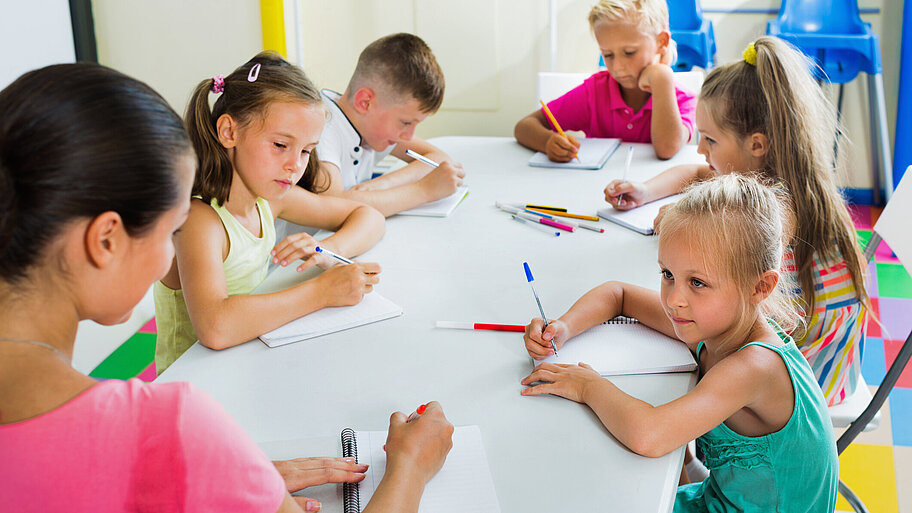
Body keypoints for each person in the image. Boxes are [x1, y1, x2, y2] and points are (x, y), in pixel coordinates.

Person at [0, 62, 453, 513]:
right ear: (106, 241)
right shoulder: (169, 427)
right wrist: (410, 466)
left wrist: (223, 471)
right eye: (169, 229)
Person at [522, 174, 838, 512]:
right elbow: (619, 294)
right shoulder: (717, 324)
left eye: (698, 282)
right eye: (667, 274)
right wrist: (565, 326)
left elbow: (649, 435)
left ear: (760, 288)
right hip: (725, 497)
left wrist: (587, 386)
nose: (674, 300)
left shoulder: (754, 366)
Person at [605, 36, 870, 406]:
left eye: (710, 140)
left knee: (663, 369)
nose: (701, 149)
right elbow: (699, 173)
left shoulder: (777, 210)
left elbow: (732, 301)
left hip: (805, 376)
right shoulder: (778, 172)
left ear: (756, 144)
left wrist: (684, 227)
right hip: (812, 347)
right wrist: (645, 191)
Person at [154, 52, 387, 373]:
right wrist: (322, 291)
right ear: (229, 132)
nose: (296, 165)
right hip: (192, 382)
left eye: (306, 150)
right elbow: (215, 327)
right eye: (280, 145)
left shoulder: (271, 198)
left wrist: (325, 251)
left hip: (245, 358)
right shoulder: (199, 219)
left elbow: (369, 217)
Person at [514, 0, 695, 161]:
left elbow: (667, 149)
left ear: (661, 42)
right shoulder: (594, 92)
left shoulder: (684, 100)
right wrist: (548, 142)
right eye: (608, 55)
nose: (617, 67)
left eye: (629, 52)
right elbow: (524, 127)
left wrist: (662, 78)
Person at [316, 32, 466, 217]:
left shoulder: (369, 125)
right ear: (365, 103)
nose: (409, 136)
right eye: (406, 122)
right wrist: (424, 190)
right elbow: (334, 206)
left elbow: (437, 158)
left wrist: (381, 185)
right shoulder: (322, 126)